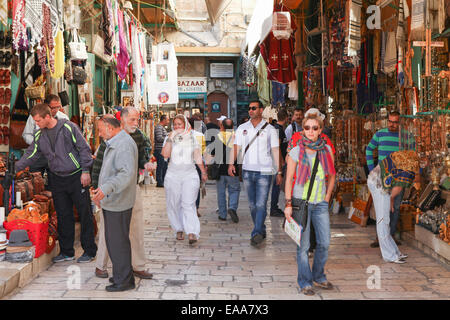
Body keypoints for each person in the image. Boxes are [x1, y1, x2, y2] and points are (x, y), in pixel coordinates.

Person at [16, 103, 96, 263]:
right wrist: (15, 168)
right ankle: (67, 252)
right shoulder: (40, 135)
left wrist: (86, 171)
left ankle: (90, 251)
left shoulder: (68, 127)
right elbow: (30, 154)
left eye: (38, 120)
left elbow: (84, 148)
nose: (36, 124)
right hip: (57, 178)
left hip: (76, 176)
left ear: (47, 117)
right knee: (63, 214)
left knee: (84, 213)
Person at [92, 109, 155, 280]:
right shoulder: (109, 136)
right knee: (108, 229)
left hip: (131, 187)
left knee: (136, 227)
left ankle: (138, 265)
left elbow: (141, 157)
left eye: (137, 119)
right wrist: (97, 190)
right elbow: (99, 166)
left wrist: (146, 163)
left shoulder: (139, 136)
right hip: (110, 190)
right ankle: (101, 265)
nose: (136, 123)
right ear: (123, 120)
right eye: (133, 119)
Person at [284, 113, 336, 296]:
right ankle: (305, 282)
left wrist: (328, 196)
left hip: (320, 203)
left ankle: (318, 275)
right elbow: (289, 178)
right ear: (302, 130)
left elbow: (332, 175)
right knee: (303, 246)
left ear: (320, 130)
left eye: (315, 128)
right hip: (301, 203)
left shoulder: (327, 150)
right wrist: (288, 203)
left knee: (324, 242)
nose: (311, 131)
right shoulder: (296, 151)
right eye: (307, 128)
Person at [92, 115, 138, 292]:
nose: (99, 133)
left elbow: (125, 174)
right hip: (113, 200)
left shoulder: (123, 144)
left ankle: (124, 281)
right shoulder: (116, 141)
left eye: (101, 129)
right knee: (114, 241)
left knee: (118, 242)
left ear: (110, 128)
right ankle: (121, 276)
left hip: (119, 201)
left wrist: (106, 188)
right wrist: (102, 191)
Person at [228, 100, 281, 247]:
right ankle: (261, 229)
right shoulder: (242, 128)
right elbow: (236, 147)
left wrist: (279, 170)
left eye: (253, 108)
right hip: (247, 171)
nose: (250, 110)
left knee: (261, 204)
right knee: (252, 205)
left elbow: (276, 150)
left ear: (261, 110)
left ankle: (256, 231)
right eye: (249, 108)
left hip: (264, 171)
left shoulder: (270, 129)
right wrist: (231, 163)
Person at [162, 115, 207, 245]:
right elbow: (165, 155)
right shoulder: (169, 138)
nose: (177, 127)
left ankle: (192, 232)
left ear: (185, 125)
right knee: (173, 203)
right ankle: (178, 228)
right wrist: (170, 138)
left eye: (179, 124)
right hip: (173, 175)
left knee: (188, 204)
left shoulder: (192, 138)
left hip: (190, 175)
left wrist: (203, 172)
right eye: (175, 124)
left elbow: (198, 157)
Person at [367, 150, 419, 264]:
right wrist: (390, 200)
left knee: (385, 220)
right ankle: (389, 256)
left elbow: (393, 184)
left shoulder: (403, 160)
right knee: (383, 220)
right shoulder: (408, 171)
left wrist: (390, 201)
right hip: (379, 185)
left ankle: (394, 252)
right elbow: (397, 189)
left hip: (376, 180)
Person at [366, 111, 402, 248]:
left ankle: (390, 235)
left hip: (399, 177)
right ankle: (380, 237)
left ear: (399, 122)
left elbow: (412, 153)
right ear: (388, 121)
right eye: (390, 121)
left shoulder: (404, 137)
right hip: (382, 176)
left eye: (395, 122)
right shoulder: (380, 134)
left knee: (396, 207)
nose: (392, 125)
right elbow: (369, 149)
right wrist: (371, 169)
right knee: (382, 207)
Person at [22, 94, 69, 173]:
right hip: (38, 156)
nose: (56, 110)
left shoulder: (63, 118)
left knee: (55, 182)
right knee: (35, 181)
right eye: (53, 108)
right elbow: (26, 134)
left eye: (58, 107)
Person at [209, 118, 240, 223]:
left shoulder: (218, 137)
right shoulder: (236, 137)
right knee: (234, 190)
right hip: (233, 169)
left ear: (222, 126)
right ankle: (232, 207)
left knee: (221, 192)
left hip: (220, 171)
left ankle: (222, 214)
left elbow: (212, 153)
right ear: (232, 127)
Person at [270, 109, 288, 217]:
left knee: (277, 185)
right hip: (278, 163)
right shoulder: (278, 130)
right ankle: (274, 208)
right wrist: (280, 163)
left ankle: (274, 207)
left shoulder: (278, 129)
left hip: (278, 162)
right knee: (277, 184)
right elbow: (277, 147)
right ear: (286, 117)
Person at [154, 114, 169, 187]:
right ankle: (159, 182)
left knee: (164, 166)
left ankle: (162, 181)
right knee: (161, 166)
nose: (168, 121)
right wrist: (168, 139)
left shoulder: (161, 127)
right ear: (164, 120)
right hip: (160, 150)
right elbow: (159, 138)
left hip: (163, 150)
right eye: (167, 120)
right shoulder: (159, 127)